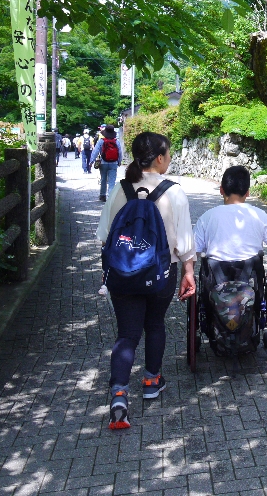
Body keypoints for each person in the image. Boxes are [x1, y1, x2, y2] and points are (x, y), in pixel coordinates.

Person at [96, 132, 196, 430]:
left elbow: (103, 237)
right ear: (160, 158)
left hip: (123, 275)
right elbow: (185, 243)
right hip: (161, 275)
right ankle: (152, 380)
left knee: (127, 334)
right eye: (169, 153)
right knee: (154, 325)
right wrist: (189, 273)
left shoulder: (120, 189)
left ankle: (118, 395)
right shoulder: (174, 192)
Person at [189, 165, 267, 301]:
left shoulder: (207, 217)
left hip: (214, 283)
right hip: (251, 283)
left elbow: (191, 254)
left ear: (221, 190)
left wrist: (187, 276)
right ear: (247, 192)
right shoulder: (260, 215)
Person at [90, 124, 123, 202]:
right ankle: (110, 197)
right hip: (114, 163)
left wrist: (91, 161)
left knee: (103, 179)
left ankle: (102, 195)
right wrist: (119, 161)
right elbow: (120, 152)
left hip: (103, 162)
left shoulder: (101, 141)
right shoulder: (116, 142)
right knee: (112, 181)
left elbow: (95, 151)